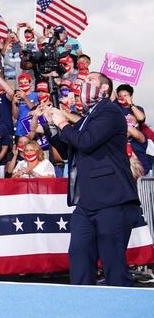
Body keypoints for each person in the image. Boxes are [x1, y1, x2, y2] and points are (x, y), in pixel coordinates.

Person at [44, 72, 142, 287]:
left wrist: (63, 122)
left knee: (113, 264)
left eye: (90, 80)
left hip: (112, 199)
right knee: (79, 257)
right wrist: (52, 124)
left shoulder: (110, 111)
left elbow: (86, 142)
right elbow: (69, 150)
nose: (83, 83)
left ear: (105, 89)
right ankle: (82, 305)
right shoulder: (87, 116)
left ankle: (121, 308)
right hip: (86, 202)